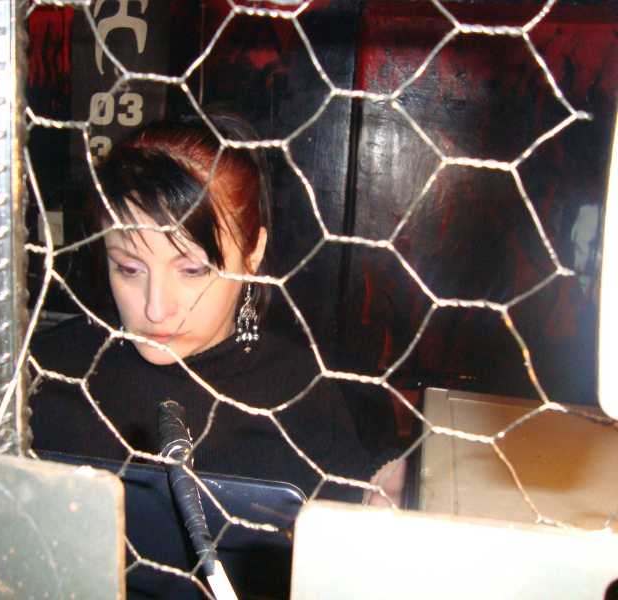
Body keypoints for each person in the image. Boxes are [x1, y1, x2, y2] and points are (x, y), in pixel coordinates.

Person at [30, 113, 401, 504]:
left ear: (252, 253)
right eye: (129, 269)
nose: (156, 308)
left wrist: (381, 495)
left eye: (192, 270)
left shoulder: (300, 395)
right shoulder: (46, 373)